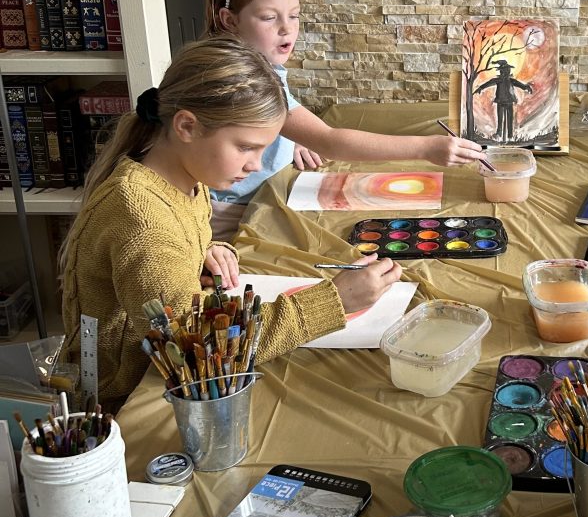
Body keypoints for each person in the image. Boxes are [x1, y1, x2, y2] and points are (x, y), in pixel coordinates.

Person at [58, 37, 403, 411]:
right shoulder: (140, 217)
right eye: (246, 147)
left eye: (263, 148)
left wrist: (205, 252)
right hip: (123, 401)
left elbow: (167, 247)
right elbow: (197, 354)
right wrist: (334, 301)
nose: (256, 165)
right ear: (187, 126)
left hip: (158, 375)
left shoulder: (186, 177)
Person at [202, 0, 488, 239]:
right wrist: (426, 148)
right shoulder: (239, 78)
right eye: (268, 17)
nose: (287, 28)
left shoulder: (259, 64)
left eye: (294, 15)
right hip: (233, 212)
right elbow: (329, 142)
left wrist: (287, 137)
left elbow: (274, 119)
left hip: (264, 193)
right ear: (230, 20)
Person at [474, 59, 533, 141]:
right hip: (501, 101)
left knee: (509, 119)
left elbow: (520, 85)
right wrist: (481, 88)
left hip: (508, 101)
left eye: (508, 70)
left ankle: (509, 135)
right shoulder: (499, 80)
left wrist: (526, 87)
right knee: (501, 118)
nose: (507, 71)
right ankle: (500, 133)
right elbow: (489, 83)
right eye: (506, 70)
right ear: (502, 71)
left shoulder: (510, 80)